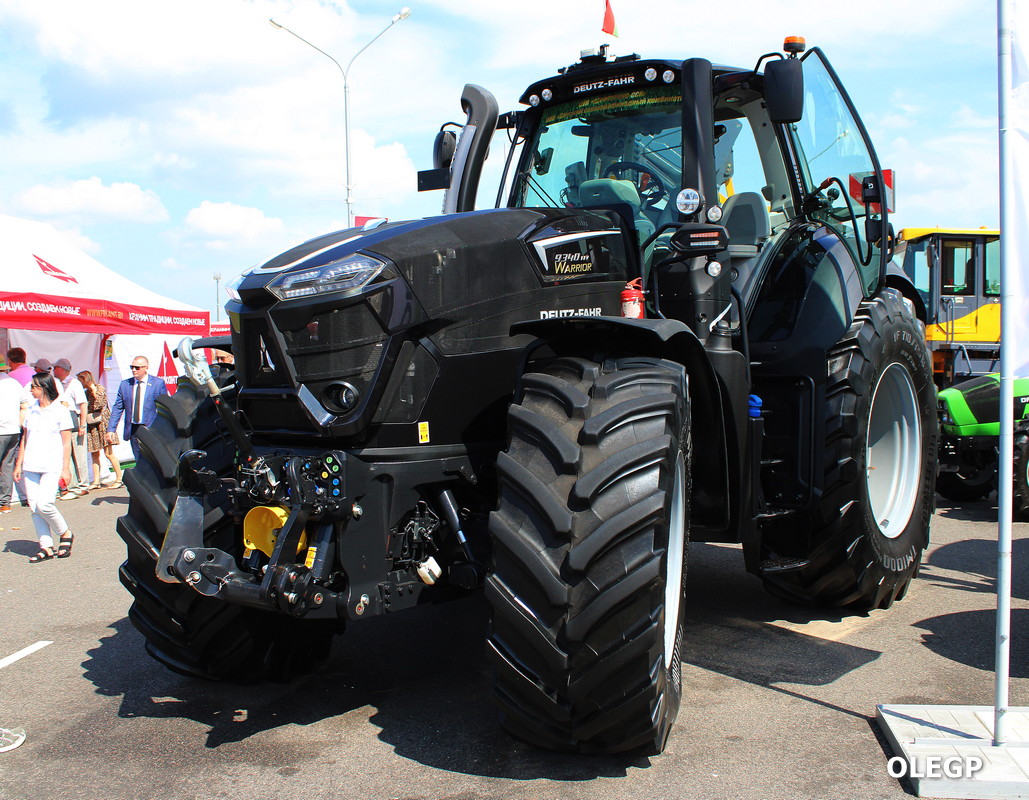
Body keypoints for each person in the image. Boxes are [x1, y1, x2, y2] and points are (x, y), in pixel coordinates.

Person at [14, 372, 73, 562]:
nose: (31, 390)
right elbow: (25, 438)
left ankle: (65, 532)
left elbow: (66, 442)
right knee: (34, 507)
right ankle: (46, 546)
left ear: (43, 388)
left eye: (33, 387)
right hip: (31, 464)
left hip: (51, 464)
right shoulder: (31, 409)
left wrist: (66, 468)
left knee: (44, 504)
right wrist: (19, 463)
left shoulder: (60, 411)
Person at [107, 356, 167, 462]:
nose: (134, 370)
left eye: (137, 368)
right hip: (134, 428)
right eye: (132, 367)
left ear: (146, 368)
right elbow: (118, 408)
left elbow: (164, 407)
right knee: (138, 458)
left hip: (151, 428)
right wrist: (111, 429)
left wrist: (163, 428)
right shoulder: (125, 385)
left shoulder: (157, 384)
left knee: (153, 458)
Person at [52, 358, 90, 499]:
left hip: (74, 419)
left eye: (55, 368)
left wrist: (82, 425)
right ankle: (70, 485)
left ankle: (83, 485)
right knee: (68, 455)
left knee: (79, 455)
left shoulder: (74, 383)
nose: (53, 371)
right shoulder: (59, 384)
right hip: (66, 420)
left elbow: (83, 404)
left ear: (61, 369)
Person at [78, 370, 123, 489]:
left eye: (81, 380)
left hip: (103, 423)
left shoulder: (99, 389)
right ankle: (96, 481)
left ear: (86, 379)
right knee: (94, 453)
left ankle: (119, 478)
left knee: (109, 453)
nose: (80, 383)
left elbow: (99, 404)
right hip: (92, 424)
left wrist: (92, 391)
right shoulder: (85, 392)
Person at [0, 356, 21, 513]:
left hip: (1, 429)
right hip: (13, 429)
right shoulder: (14, 383)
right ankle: (5, 502)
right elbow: (25, 404)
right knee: (7, 465)